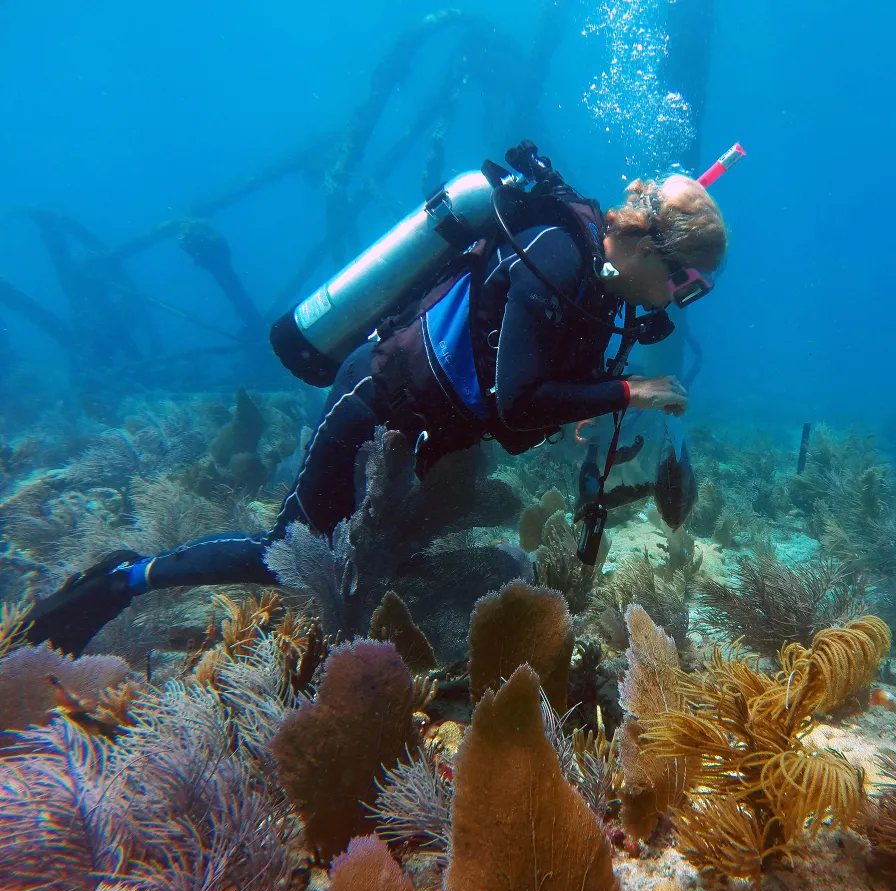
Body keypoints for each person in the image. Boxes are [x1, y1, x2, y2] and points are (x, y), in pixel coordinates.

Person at [27, 167, 729, 655]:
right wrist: (628, 392)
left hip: (427, 427)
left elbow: (524, 398)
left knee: (376, 555)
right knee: (288, 554)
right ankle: (126, 578)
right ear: (644, 243)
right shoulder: (556, 254)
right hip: (377, 401)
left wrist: (588, 404)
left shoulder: (596, 288)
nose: (678, 299)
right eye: (683, 282)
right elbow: (516, 402)